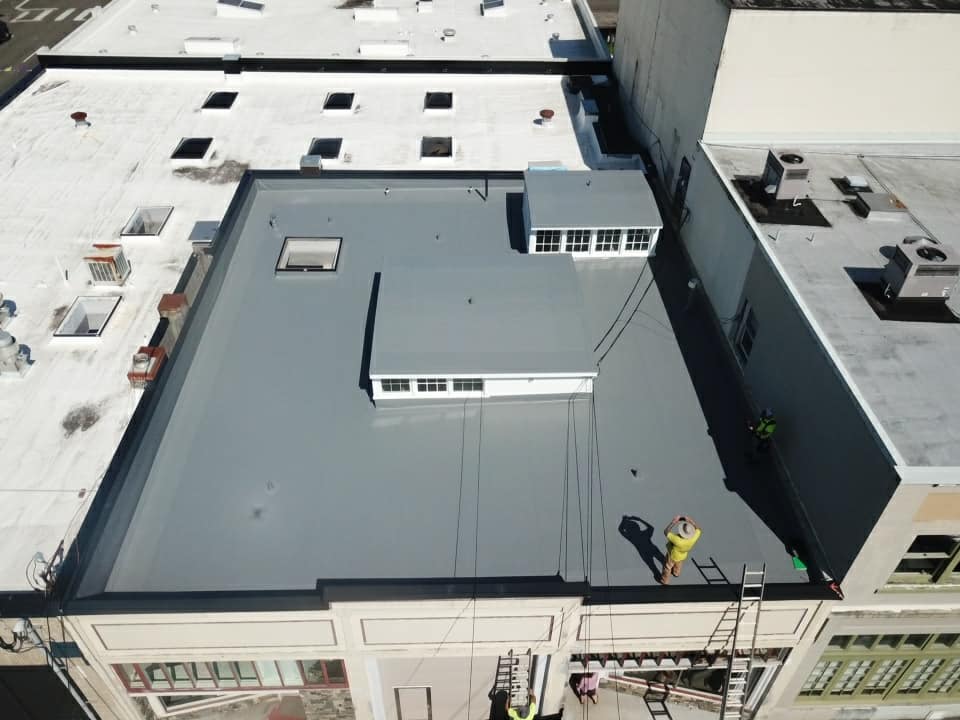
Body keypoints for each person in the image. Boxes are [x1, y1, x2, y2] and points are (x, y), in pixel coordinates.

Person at [660, 515, 701, 585]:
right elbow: (698, 529)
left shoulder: (677, 540)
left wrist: (673, 522)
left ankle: (665, 580)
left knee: (667, 567)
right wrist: (690, 520)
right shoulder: (694, 537)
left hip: (672, 556)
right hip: (683, 555)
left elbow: (666, 532)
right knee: (679, 563)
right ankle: (676, 573)